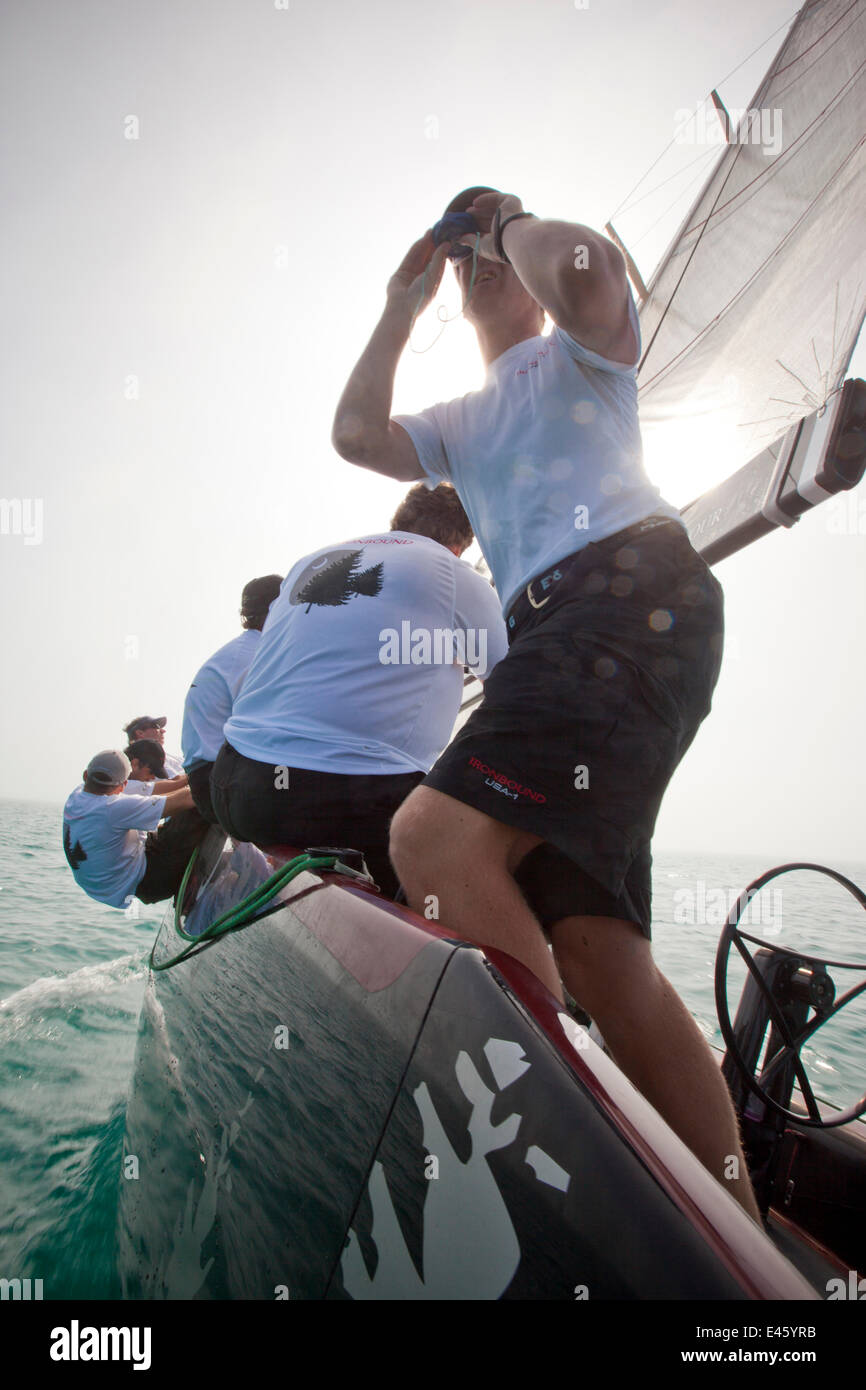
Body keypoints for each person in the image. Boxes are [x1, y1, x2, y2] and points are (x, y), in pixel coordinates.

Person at [331, 186, 759, 1220]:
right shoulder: (460, 421)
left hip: (621, 597)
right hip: (567, 633)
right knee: (597, 951)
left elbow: (582, 274)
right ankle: (745, 1255)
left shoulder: (579, 352)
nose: (480, 259)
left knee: (428, 842)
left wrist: (498, 220)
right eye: (468, 251)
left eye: (495, 247)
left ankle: (566, 1187)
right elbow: (353, 435)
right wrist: (400, 301)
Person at [210, 484, 506, 898]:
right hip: (333, 800)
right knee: (475, 849)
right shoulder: (456, 576)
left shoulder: (310, 561)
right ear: (461, 542)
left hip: (234, 786)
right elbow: (509, 694)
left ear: (399, 521)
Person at [181, 574, 283, 822]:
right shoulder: (258, 656)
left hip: (210, 778)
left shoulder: (243, 651)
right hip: (221, 783)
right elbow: (275, 730)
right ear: (277, 609)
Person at [63, 750, 208, 908]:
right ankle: (187, 885)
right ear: (123, 785)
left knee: (165, 822)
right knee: (197, 804)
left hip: (102, 884)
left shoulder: (77, 795)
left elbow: (159, 792)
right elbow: (188, 798)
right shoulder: (113, 809)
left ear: (85, 776)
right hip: (146, 883)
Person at [123, 737, 189, 796]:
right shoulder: (121, 785)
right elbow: (175, 785)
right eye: (151, 772)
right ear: (135, 763)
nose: (153, 777)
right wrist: (193, 776)